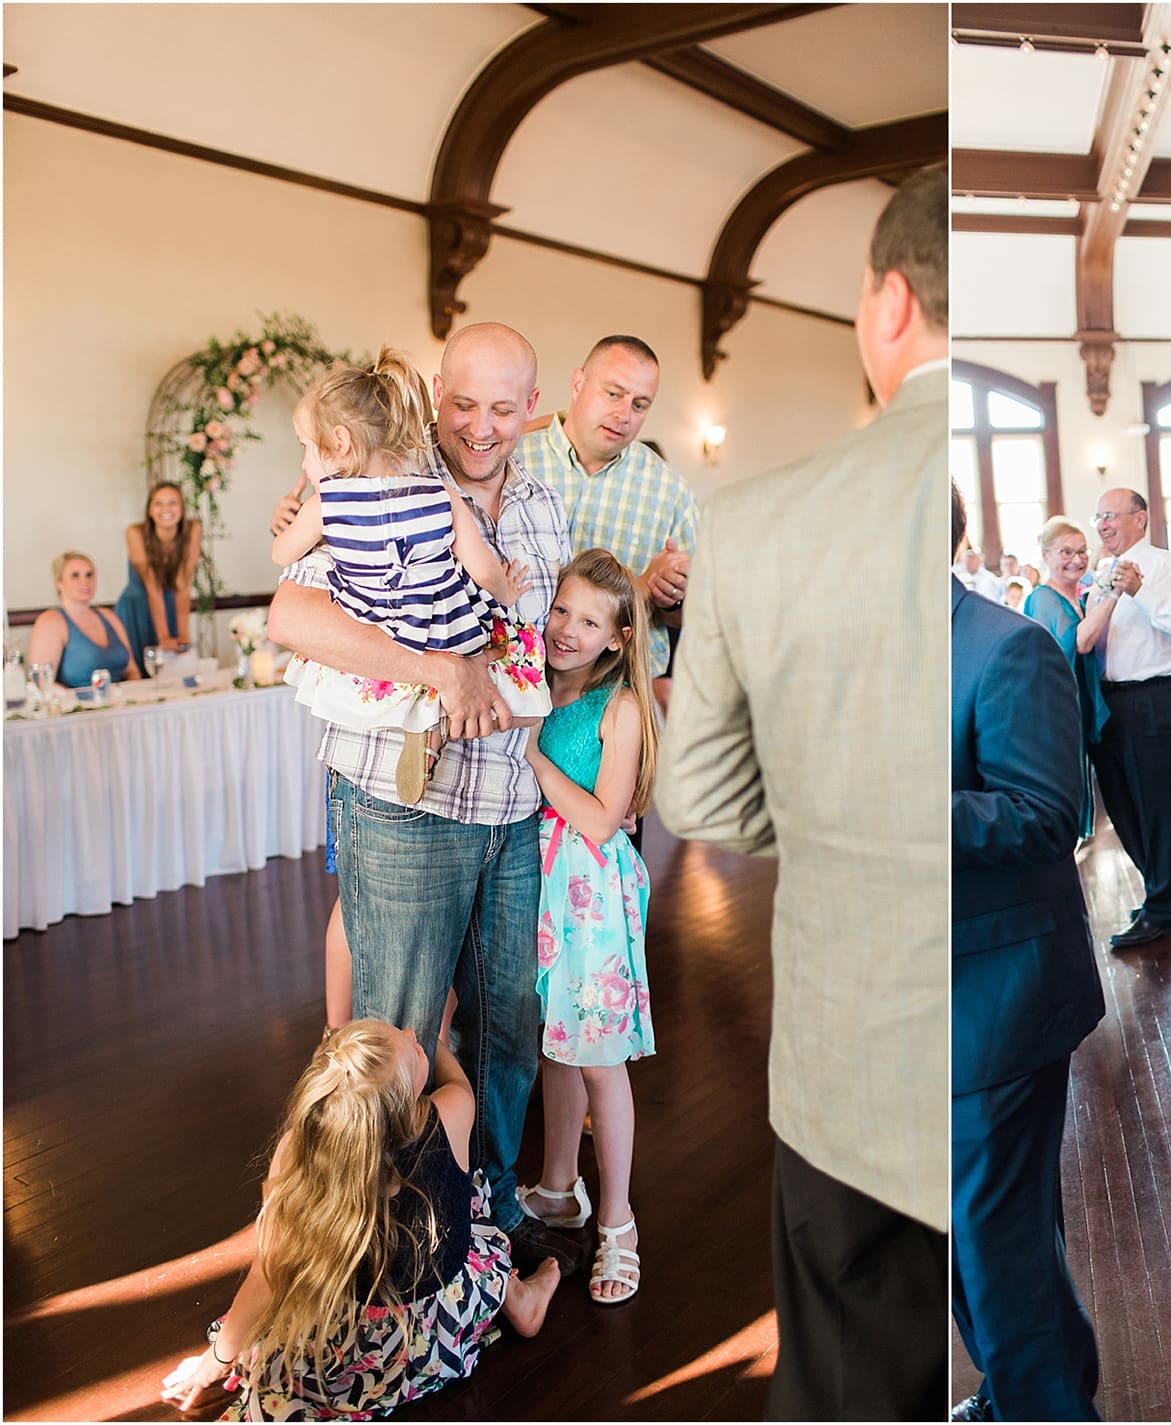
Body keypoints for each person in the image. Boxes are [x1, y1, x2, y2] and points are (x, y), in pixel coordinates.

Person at [655, 165, 949, 1421]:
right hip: (1007, 1046)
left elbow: (704, 797)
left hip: (856, 1064)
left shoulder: (759, 522)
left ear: (889, 304)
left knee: (849, 1379)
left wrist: (835, 815)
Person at [267, 321, 579, 1282]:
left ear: (533, 407)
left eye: (501, 407)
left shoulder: (540, 507)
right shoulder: (364, 480)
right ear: (436, 392)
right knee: (395, 1033)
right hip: (403, 806)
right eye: (463, 403)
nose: (480, 427)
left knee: (506, 1026)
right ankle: (388, 1245)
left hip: (512, 807)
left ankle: (477, 1218)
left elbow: (544, 645)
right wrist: (439, 668)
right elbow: (291, 614)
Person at [157, 1018, 560, 1417]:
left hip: (350, 1358)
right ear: (404, 1101)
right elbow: (459, 1085)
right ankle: (519, 1299)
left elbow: (268, 1275)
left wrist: (216, 1361)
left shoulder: (297, 1151)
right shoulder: (451, 1112)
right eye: (411, 1049)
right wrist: (436, 1043)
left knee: (288, 1298)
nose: (408, 1033)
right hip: (442, 1337)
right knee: (470, 1207)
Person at [950, 483, 1105, 1424]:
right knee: (973, 1230)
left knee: (991, 1235)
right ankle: (1027, 1387)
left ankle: (1044, 1406)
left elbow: (1050, 815)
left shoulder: (1011, 647)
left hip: (997, 989)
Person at [270, 348, 546, 805]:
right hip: (440, 618)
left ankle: (417, 733)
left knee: (382, 673)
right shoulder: (439, 494)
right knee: (494, 652)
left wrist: (287, 526)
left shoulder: (329, 505)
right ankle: (457, 728)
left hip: (380, 622)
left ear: (339, 443)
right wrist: (507, 590)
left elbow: (283, 554)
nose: (304, 463)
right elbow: (480, 567)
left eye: (305, 447)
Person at [515, 550, 659, 1306]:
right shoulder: (529, 682)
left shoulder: (619, 706)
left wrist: (533, 755)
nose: (567, 629)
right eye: (561, 610)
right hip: (534, 882)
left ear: (617, 637)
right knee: (554, 1045)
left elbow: (605, 819)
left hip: (589, 896)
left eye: (590, 620)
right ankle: (558, 1184)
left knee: (599, 1056)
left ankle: (619, 1221)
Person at [515, 335, 695, 684]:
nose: (623, 415)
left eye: (640, 405)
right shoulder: (514, 458)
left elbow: (696, 618)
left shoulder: (672, 493)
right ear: (578, 382)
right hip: (513, 680)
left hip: (614, 695)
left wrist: (671, 596)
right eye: (613, 394)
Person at [1089, 487, 1171, 950]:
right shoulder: (1103, 570)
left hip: (1160, 697)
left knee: (1157, 807)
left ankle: (1161, 906)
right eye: (1098, 516)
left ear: (1139, 519)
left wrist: (1141, 591)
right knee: (1122, 805)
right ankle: (1169, 883)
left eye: (1111, 516)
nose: (1102, 524)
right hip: (1114, 700)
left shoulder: (1165, 566)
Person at [1023, 515, 1112, 840]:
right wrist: (1114, 596)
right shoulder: (1045, 599)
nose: (1076, 560)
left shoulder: (1080, 597)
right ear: (1045, 555)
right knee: (1065, 790)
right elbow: (1077, 643)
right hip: (1058, 710)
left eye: (1082, 552)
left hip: (1078, 704)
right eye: (1066, 552)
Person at [30, 551, 142, 687]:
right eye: (75, 576)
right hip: (78, 706)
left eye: (89, 575)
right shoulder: (50, 621)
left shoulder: (109, 616)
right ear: (59, 582)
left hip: (122, 703)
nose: (85, 581)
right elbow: (42, 682)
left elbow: (132, 671)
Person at [116, 481, 202, 657]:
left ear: (182, 507)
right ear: (149, 510)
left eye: (172, 502)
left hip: (171, 607)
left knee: (178, 660)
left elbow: (182, 583)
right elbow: (152, 586)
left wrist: (183, 634)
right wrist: (163, 637)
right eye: (158, 503)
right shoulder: (135, 533)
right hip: (137, 608)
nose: (166, 509)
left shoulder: (193, 529)